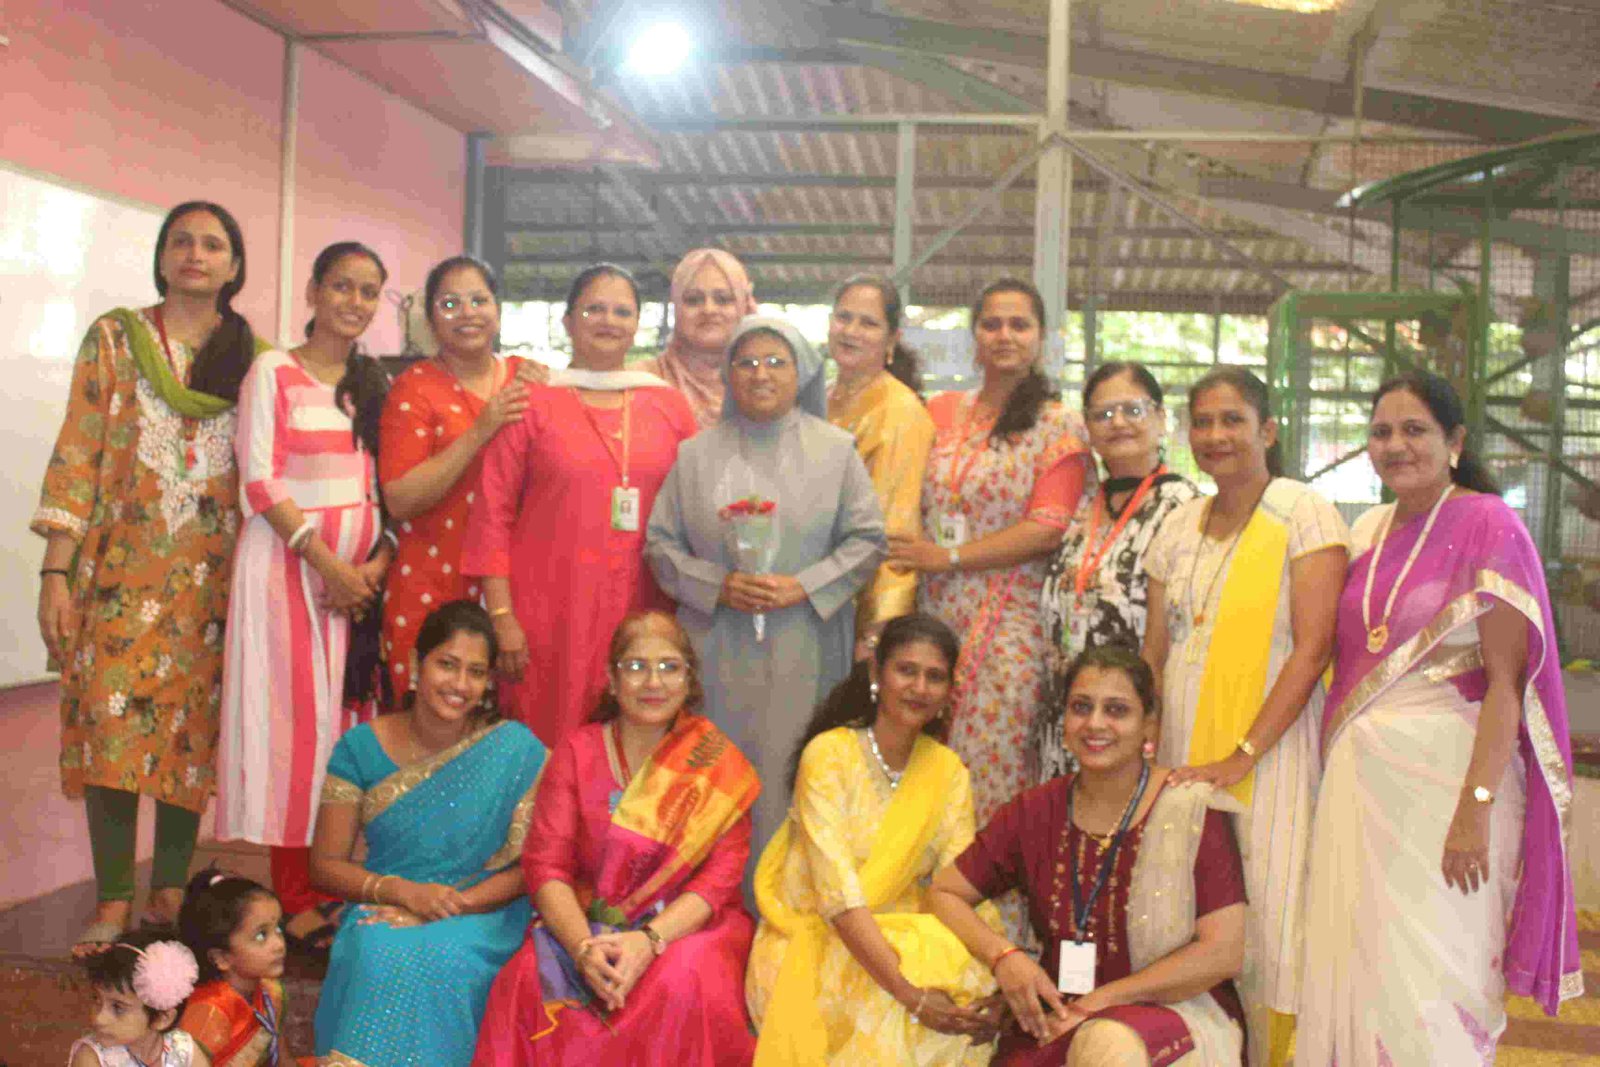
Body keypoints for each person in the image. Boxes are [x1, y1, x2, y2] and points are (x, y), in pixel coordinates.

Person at [1297, 372, 1583, 1065]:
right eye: (1381, 432)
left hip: (1451, 790)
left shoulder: (1489, 523)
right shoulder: (1369, 531)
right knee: (1359, 974)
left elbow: (1507, 686)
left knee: (1437, 986)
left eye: (1414, 429)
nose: (1396, 445)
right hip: (1361, 794)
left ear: (1454, 440)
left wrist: (1473, 811)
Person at [33, 201, 265, 954]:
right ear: (162, 257)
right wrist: (56, 570)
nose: (196, 253)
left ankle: (168, 889)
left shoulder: (254, 359)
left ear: (234, 266)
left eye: (213, 244)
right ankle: (112, 897)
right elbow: (78, 453)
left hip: (210, 583)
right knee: (110, 726)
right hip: (116, 574)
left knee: (186, 733)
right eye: (182, 241)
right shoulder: (115, 338)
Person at [1142, 366, 1348, 1067]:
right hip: (1182, 756)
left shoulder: (1302, 511)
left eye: (1232, 419)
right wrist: (1147, 744)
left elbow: (1315, 645)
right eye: (1202, 421)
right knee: (1186, 917)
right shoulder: (1177, 525)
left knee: (1271, 926)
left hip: (1272, 757)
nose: (1215, 434)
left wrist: (1243, 753)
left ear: (1268, 430)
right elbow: (1154, 652)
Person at [930, 645, 1248, 1066]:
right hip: (1060, 1017)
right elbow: (944, 892)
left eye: (1117, 710)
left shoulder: (1189, 808)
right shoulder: (1034, 811)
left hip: (1173, 1011)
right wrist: (1004, 957)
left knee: (1108, 1046)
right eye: (1081, 707)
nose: (1095, 723)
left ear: (1148, 725)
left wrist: (1101, 1002)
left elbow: (1223, 951)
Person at [472, 611, 760, 1065]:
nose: (653, 682)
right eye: (636, 666)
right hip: (587, 923)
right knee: (527, 978)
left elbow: (719, 880)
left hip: (687, 930)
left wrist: (649, 941)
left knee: (684, 980)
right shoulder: (578, 751)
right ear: (611, 678)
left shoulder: (716, 765)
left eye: (669, 667)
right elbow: (546, 865)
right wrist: (583, 948)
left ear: (689, 679)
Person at [645, 315, 886, 853]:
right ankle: (713, 896)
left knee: (794, 775)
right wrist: (717, 584)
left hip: (805, 643)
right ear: (728, 374)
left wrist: (806, 585)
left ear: (801, 373)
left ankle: (788, 896)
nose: (760, 374)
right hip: (717, 648)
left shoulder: (836, 450)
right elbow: (659, 545)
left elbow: (869, 540)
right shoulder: (694, 455)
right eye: (747, 362)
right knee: (715, 779)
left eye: (776, 362)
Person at [215, 241, 393, 954]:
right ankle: (295, 899)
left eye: (368, 291)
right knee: (296, 735)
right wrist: (327, 564)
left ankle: (337, 882)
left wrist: (373, 567)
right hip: (288, 574)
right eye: (341, 286)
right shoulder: (273, 371)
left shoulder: (375, 383)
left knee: (347, 732)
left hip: (358, 587)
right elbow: (260, 480)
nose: (354, 301)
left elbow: (387, 487)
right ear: (314, 291)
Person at [887, 278, 1092, 842]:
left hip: (1008, 629)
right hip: (931, 616)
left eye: (1019, 325)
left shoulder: (1059, 424)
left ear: (1042, 338)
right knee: (918, 771)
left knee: (991, 776)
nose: (1005, 335)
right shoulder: (941, 412)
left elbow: (1047, 529)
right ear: (974, 336)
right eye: (992, 324)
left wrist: (947, 556)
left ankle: (989, 896)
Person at [746, 613, 1000, 1066]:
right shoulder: (829, 755)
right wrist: (911, 996)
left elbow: (962, 887)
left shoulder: (948, 772)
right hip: (813, 940)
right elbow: (837, 897)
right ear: (876, 673)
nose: (919, 687)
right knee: (897, 1019)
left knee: (964, 996)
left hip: (901, 938)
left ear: (949, 691)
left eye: (935, 676)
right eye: (906, 670)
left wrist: (999, 973)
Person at [463, 263, 697, 747]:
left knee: (636, 739)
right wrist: (501, 616)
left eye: (622, 311)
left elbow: (698, 506)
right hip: (548, 613)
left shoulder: (669, 407)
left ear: (638, 324)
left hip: (644, 606)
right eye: (594, 309)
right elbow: (492, 512)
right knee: (546, 742)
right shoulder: (530, 400)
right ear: (568, 321)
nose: (608, 321)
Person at [309, 601, 548, 1067]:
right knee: (377, 952)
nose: (460, 685)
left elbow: (533, 868)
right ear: (418, 663)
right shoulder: (359, 748)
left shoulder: (514, 749)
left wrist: (450, 905)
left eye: (476, 672)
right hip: (387, 902)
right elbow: (324, 866)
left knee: (447, 959)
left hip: (485, 912)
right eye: (447, 664)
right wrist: (403, 893)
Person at [1038, 362, 1199, 780]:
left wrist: (1153, 718)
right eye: (1103, 414)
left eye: (1133, 410)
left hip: (1132, 725)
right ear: (1088, 429)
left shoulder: (1185, 507)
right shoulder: (1081, 505)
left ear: (1161, 418)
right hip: (1067, 720)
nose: (1119, 423)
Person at [379, 255, 529, 696]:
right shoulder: (414, 387)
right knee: (431, 719)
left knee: (506, 723)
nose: (467, 313)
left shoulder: (528, 378)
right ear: (429, 320)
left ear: (497, 310)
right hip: (432, 587)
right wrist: (481, 430)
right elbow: (400, 500)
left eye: (479, 300)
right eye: (449, 304)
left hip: (515, 591)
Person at [825, 274, 936, 650]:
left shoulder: (899, 411)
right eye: (844, 317)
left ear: (891, 340)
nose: (851, 331)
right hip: (807, 596)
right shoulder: (818, 399)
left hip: (857, 612)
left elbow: (894, 533)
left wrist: (879, 632)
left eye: (868, 323)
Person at [176, 868, 294, 1067]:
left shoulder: (270, 991)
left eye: (279, 929)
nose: (279, 944)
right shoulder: (209, 1011)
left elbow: (283, 1059)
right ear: (221, 958)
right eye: (261, 935)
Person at [633, 248, 758, 428]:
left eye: (723, 299)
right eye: (693, 300)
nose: (709, 310)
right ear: (676, 306)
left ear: (744, 306)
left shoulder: (764, 382)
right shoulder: (640, 382)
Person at [72, 929, 209, 1067]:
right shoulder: (91, 1057)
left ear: (162, 1018)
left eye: (118, 1008)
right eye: (96, 999)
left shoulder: (184, 1051)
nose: (99, 1018)